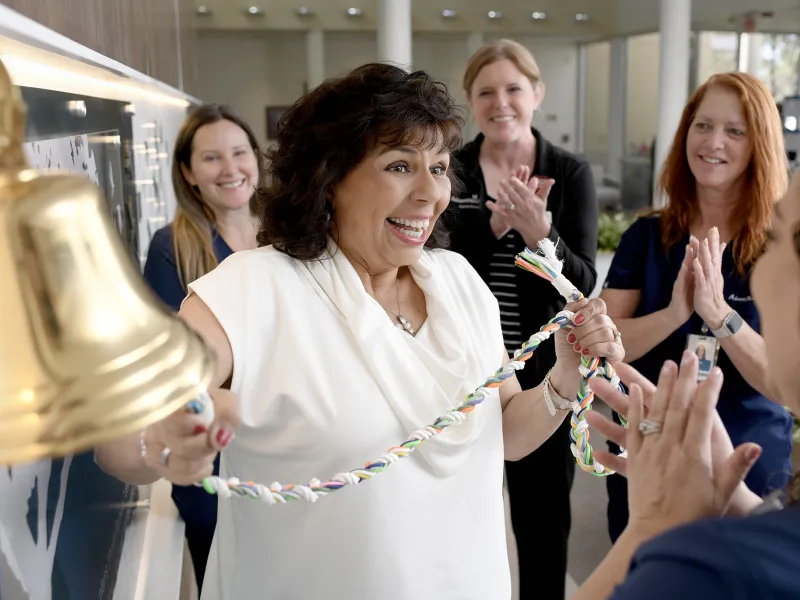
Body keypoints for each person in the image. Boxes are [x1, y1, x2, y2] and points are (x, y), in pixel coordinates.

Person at [95, 63, 623, 600]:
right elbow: (126, 432)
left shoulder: (459, 281)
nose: (429, 193)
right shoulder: (254, 289)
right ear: (330, 178)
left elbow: (505, 436)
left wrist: (563, 374)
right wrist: (160, 438)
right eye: (399, 166)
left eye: (439, 167)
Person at [568, 167, 800, 599]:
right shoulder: (648, 235)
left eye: (778, 238)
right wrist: (744, 509)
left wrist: (651, 527)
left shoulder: (708, 567)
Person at [600, 72, 792, 542]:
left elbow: (787, 384)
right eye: (702, 125)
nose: (714, 142)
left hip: (749, 458)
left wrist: (718, 315)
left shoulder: (782, 246)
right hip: (651, 451)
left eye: (734, 130)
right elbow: (604, 344)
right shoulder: (646, 237)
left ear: (759, 145)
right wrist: (673, 314)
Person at [449, 38, 598, 600]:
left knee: (542, 527)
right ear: (470, 100)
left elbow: (582, 284)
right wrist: (489, 230)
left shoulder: (569, 172)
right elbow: (434, 268)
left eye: (514, 88)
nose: (501, 102)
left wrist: (540, 233)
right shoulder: (452, 170)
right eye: (486, 91)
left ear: (537, 93)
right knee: (462, 520)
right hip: (466, 376)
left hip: (543, 380)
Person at [142, 103, 263, 590]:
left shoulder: (296, 235)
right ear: (188, 173)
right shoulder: (172, 248)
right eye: (211, 159)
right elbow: (175, 367)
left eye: (240, 152)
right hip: (214, 457)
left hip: (292, 440)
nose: (231, 169)